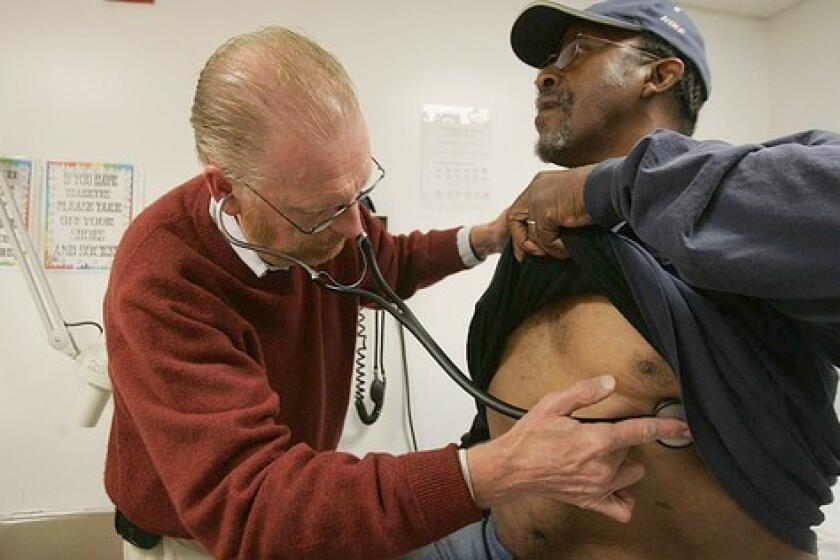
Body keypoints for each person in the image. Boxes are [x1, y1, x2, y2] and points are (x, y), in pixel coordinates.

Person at [102, 26, 689, 560]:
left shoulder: (321, 217)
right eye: (325, 211)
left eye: (360, 189)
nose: (355, 228)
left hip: (287, 509)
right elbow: (256, 508)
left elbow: (384, 261)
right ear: (225, 185)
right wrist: (497, 469)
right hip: (197, 540)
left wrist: (483, 237)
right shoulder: (163, 279)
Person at [447, 0, 840, 558]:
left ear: (659, 75)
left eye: (576, 51)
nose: (545, 74)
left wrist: (600, 189)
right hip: (494, 543)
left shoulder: (761, 207)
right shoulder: (545, 236)